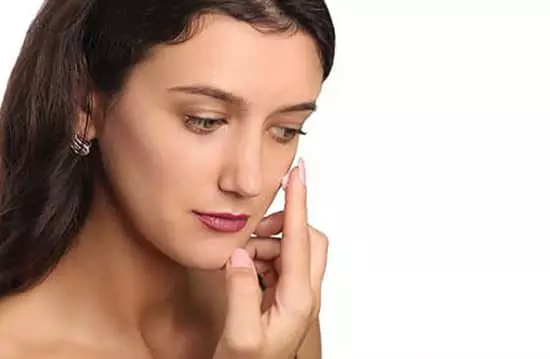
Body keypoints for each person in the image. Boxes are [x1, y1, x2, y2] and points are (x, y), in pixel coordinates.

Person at [0, 0, 335, 357]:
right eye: (205, 120)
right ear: (84, 104)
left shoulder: (273, 311)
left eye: (285, 130)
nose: (248, 181)